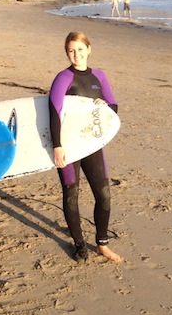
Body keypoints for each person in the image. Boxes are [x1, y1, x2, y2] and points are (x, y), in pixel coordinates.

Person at [49, 32, 122, 263]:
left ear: (89, 49)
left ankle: (102, 244)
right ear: (66, 53)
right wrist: (58, 146)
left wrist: (106, 106)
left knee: (104, 195)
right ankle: (79, 245)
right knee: (72, 195)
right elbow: (54, 112)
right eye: (71, 50)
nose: (76, 55)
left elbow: (114, 106)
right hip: (69, 146)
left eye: (80, 49)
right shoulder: (63, 77)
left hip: (91, 144)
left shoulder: (99, 76)